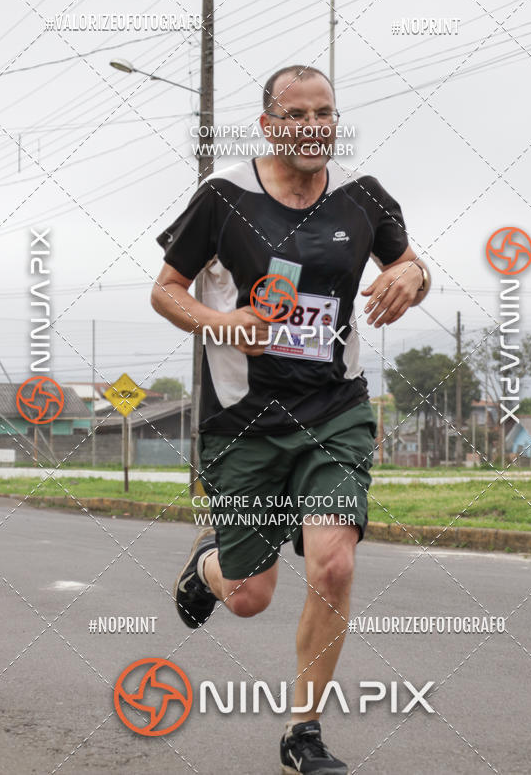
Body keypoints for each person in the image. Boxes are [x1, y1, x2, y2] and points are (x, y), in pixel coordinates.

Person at [151, 64, 431, 774]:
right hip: (244, 418)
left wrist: (412, 275)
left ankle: (302, 732)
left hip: (334, 411)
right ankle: (207, 568)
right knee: (249, 596)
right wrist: (221, 322)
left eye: (325, 113)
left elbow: (410, 266)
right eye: (297, 114)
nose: (313, 127)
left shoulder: (363, 198)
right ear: (269, 123)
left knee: (333, 566)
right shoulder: (223, 199)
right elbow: (166, 290)